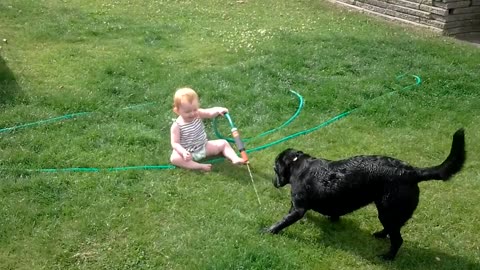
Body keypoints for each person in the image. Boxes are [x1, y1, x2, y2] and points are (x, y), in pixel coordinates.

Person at [170, 87, 245, 171]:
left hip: (204, 147)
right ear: (177, 111)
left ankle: (234, 158)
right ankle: (199, 166)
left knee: (223, 143)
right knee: (174, 158)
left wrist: (218, 110)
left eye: (194, 109)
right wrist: (183, 152)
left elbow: (209, 112)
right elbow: (175, 143)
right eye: (187, 112)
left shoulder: (198, 114)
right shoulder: (177, 125)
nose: (192, 113)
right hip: (188, 153)